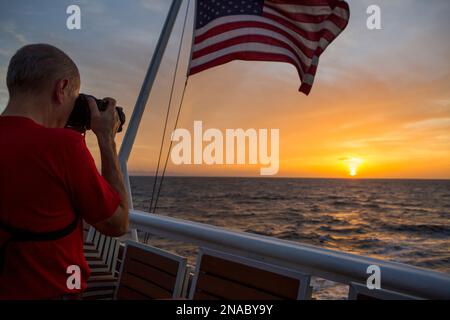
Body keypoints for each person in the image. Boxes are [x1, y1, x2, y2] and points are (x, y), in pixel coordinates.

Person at [0, 44, 129, 300]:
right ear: (61, 89)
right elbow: (118, 223)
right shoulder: (62, 147)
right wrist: (106, 138)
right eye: (75, 97)